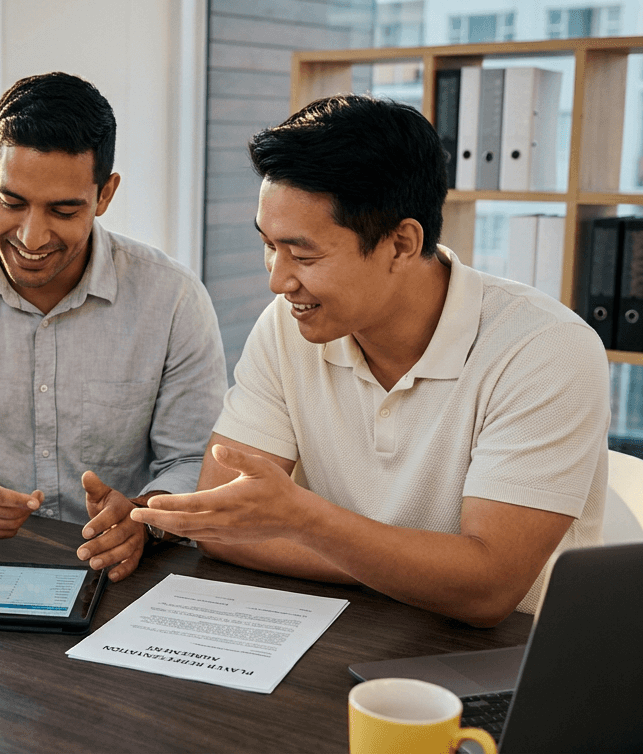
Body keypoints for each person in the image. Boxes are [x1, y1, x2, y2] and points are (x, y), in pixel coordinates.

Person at [133, 95, 610, 628]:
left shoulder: (545, 351)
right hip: (350, 631)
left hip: (505, 663)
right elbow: (223, 526)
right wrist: (411, 567)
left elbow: (488, 590)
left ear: (402, 243)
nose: (277, 279)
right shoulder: (290, 323)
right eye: (269, 246)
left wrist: (303, 522)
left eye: (304, 255)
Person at [0, 72, 227, 582]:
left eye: (64, 209)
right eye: (11, 202)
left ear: (105, 194)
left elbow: (193, 462)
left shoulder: (173, 300)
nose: (31, 236)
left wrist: (143, 517)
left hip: (124, 576)